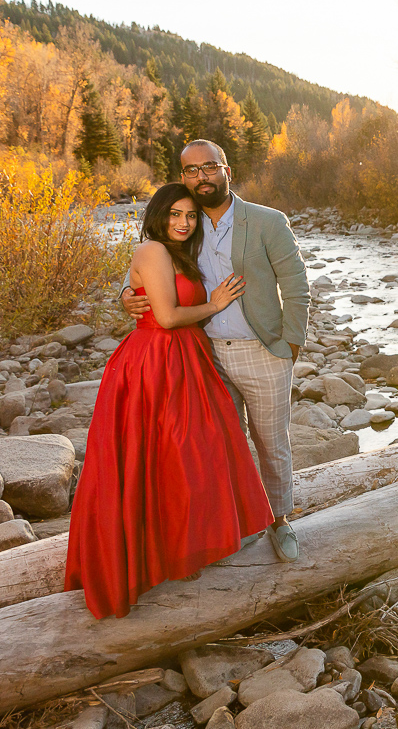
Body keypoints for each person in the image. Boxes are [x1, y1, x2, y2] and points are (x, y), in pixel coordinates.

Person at [65, 183, 274, 619]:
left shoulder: (181, 252)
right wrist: (214, 305)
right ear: (158, 215)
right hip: (154, 362)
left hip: (185, 358)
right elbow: (166, 316)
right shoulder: (153, 251)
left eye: (191, 216)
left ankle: (182, 548)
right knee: (164, 455)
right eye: (175, 214)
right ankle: (153, 556)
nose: (183, 222)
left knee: (187, 455)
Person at [122, 140, 309, 563]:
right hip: (204, 355)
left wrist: (290, 345)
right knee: (222, 444)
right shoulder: (186, 224)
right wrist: (125, 294)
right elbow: (148, 268)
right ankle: (241, 522)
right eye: (191, 171)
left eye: (209, 168)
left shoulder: (266, 221)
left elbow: (297, 287)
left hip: (262, 351)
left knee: (271, 442)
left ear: (227, 169)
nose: (201, 177)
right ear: (183, 176)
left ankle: (280, 520)